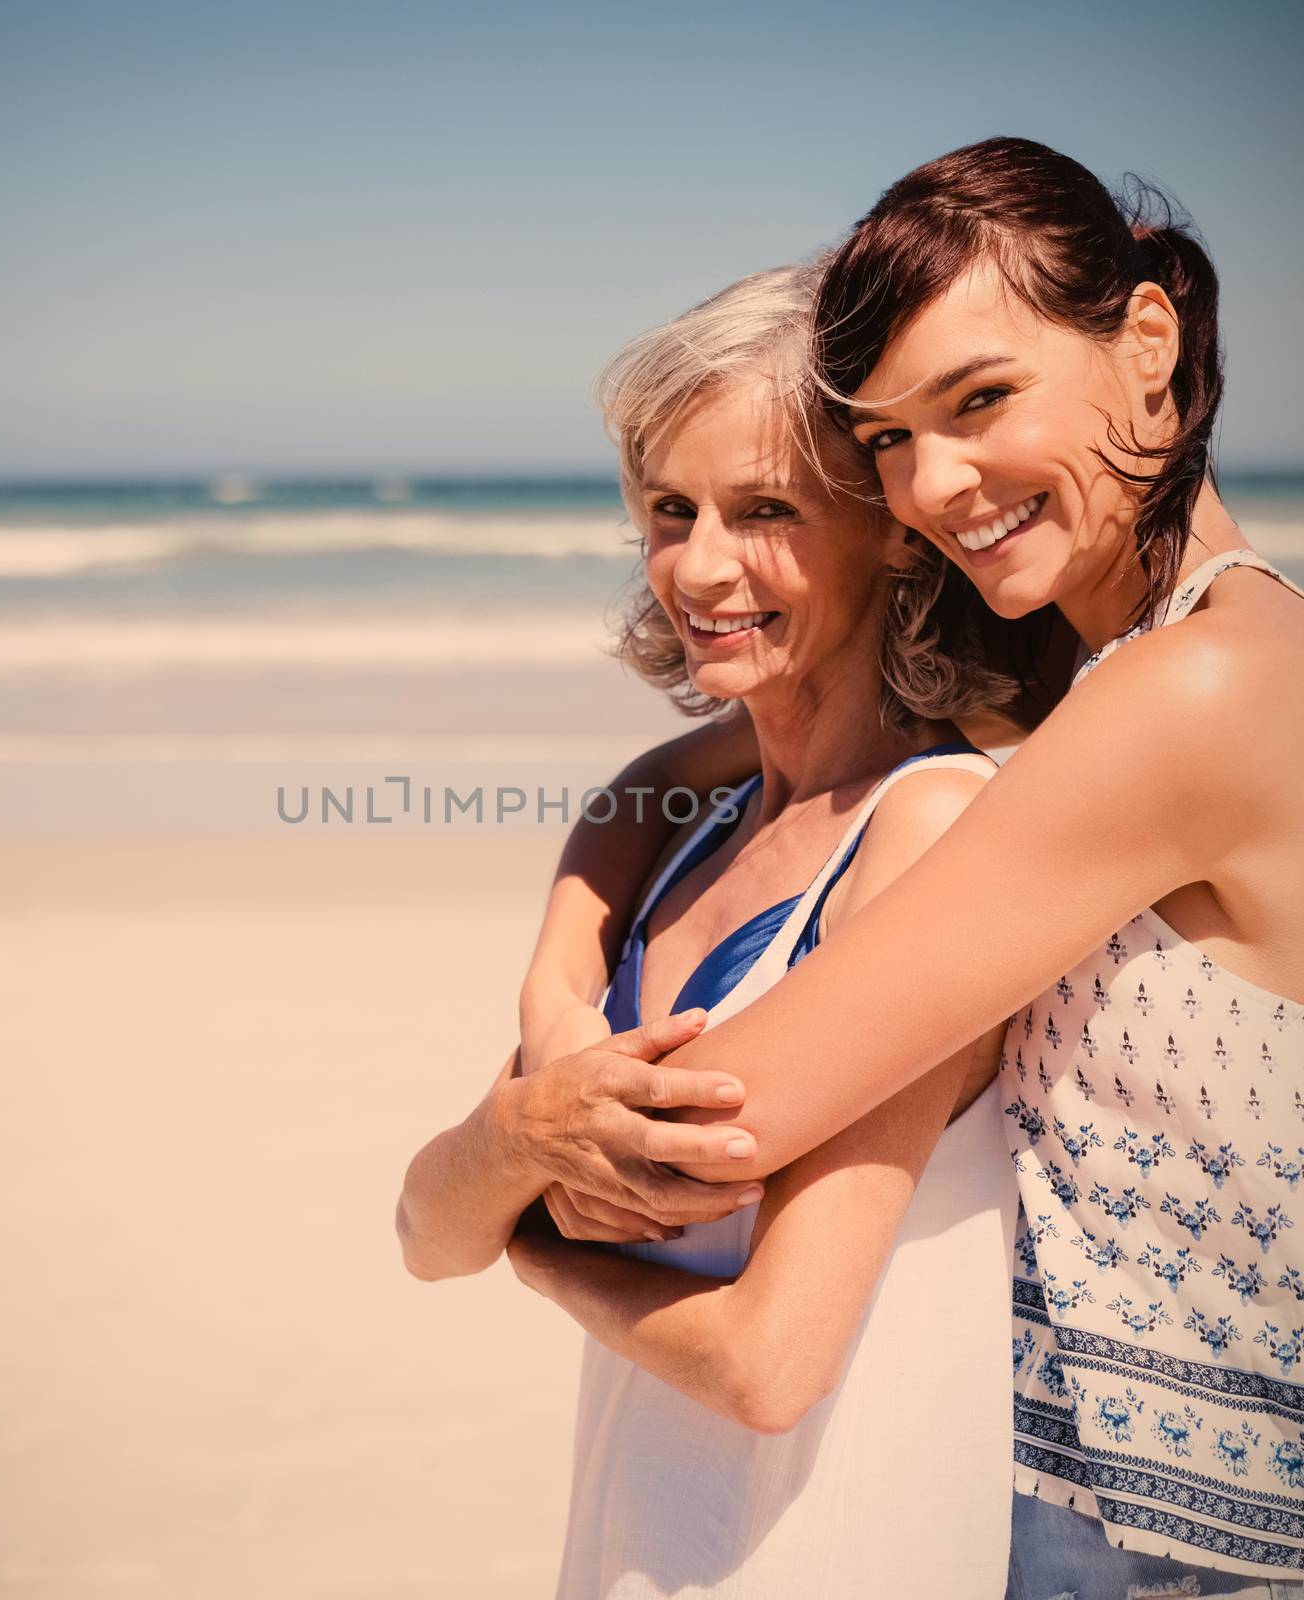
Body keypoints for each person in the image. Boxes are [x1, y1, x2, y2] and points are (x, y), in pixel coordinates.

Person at [518, 138, 1304, 1591]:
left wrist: (515, 1212)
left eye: (982, 400)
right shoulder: (1123, 672)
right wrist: (566, 961)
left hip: (1191, 1547)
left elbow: (720, 1132)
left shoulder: (1184, 696)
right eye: (886, 441)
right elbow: (707, 764)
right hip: (1110, 1509)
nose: (935, 484)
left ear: (1148, 340)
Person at [398, 263, 1028, 1597]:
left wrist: (540, 1246)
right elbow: (423, 1229)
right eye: (670, 510)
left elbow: (766, 1363)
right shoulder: (670, 827)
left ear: (902, 529)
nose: (698, 566)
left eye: (766, 512)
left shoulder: (927, 833)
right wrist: (518, 1141)